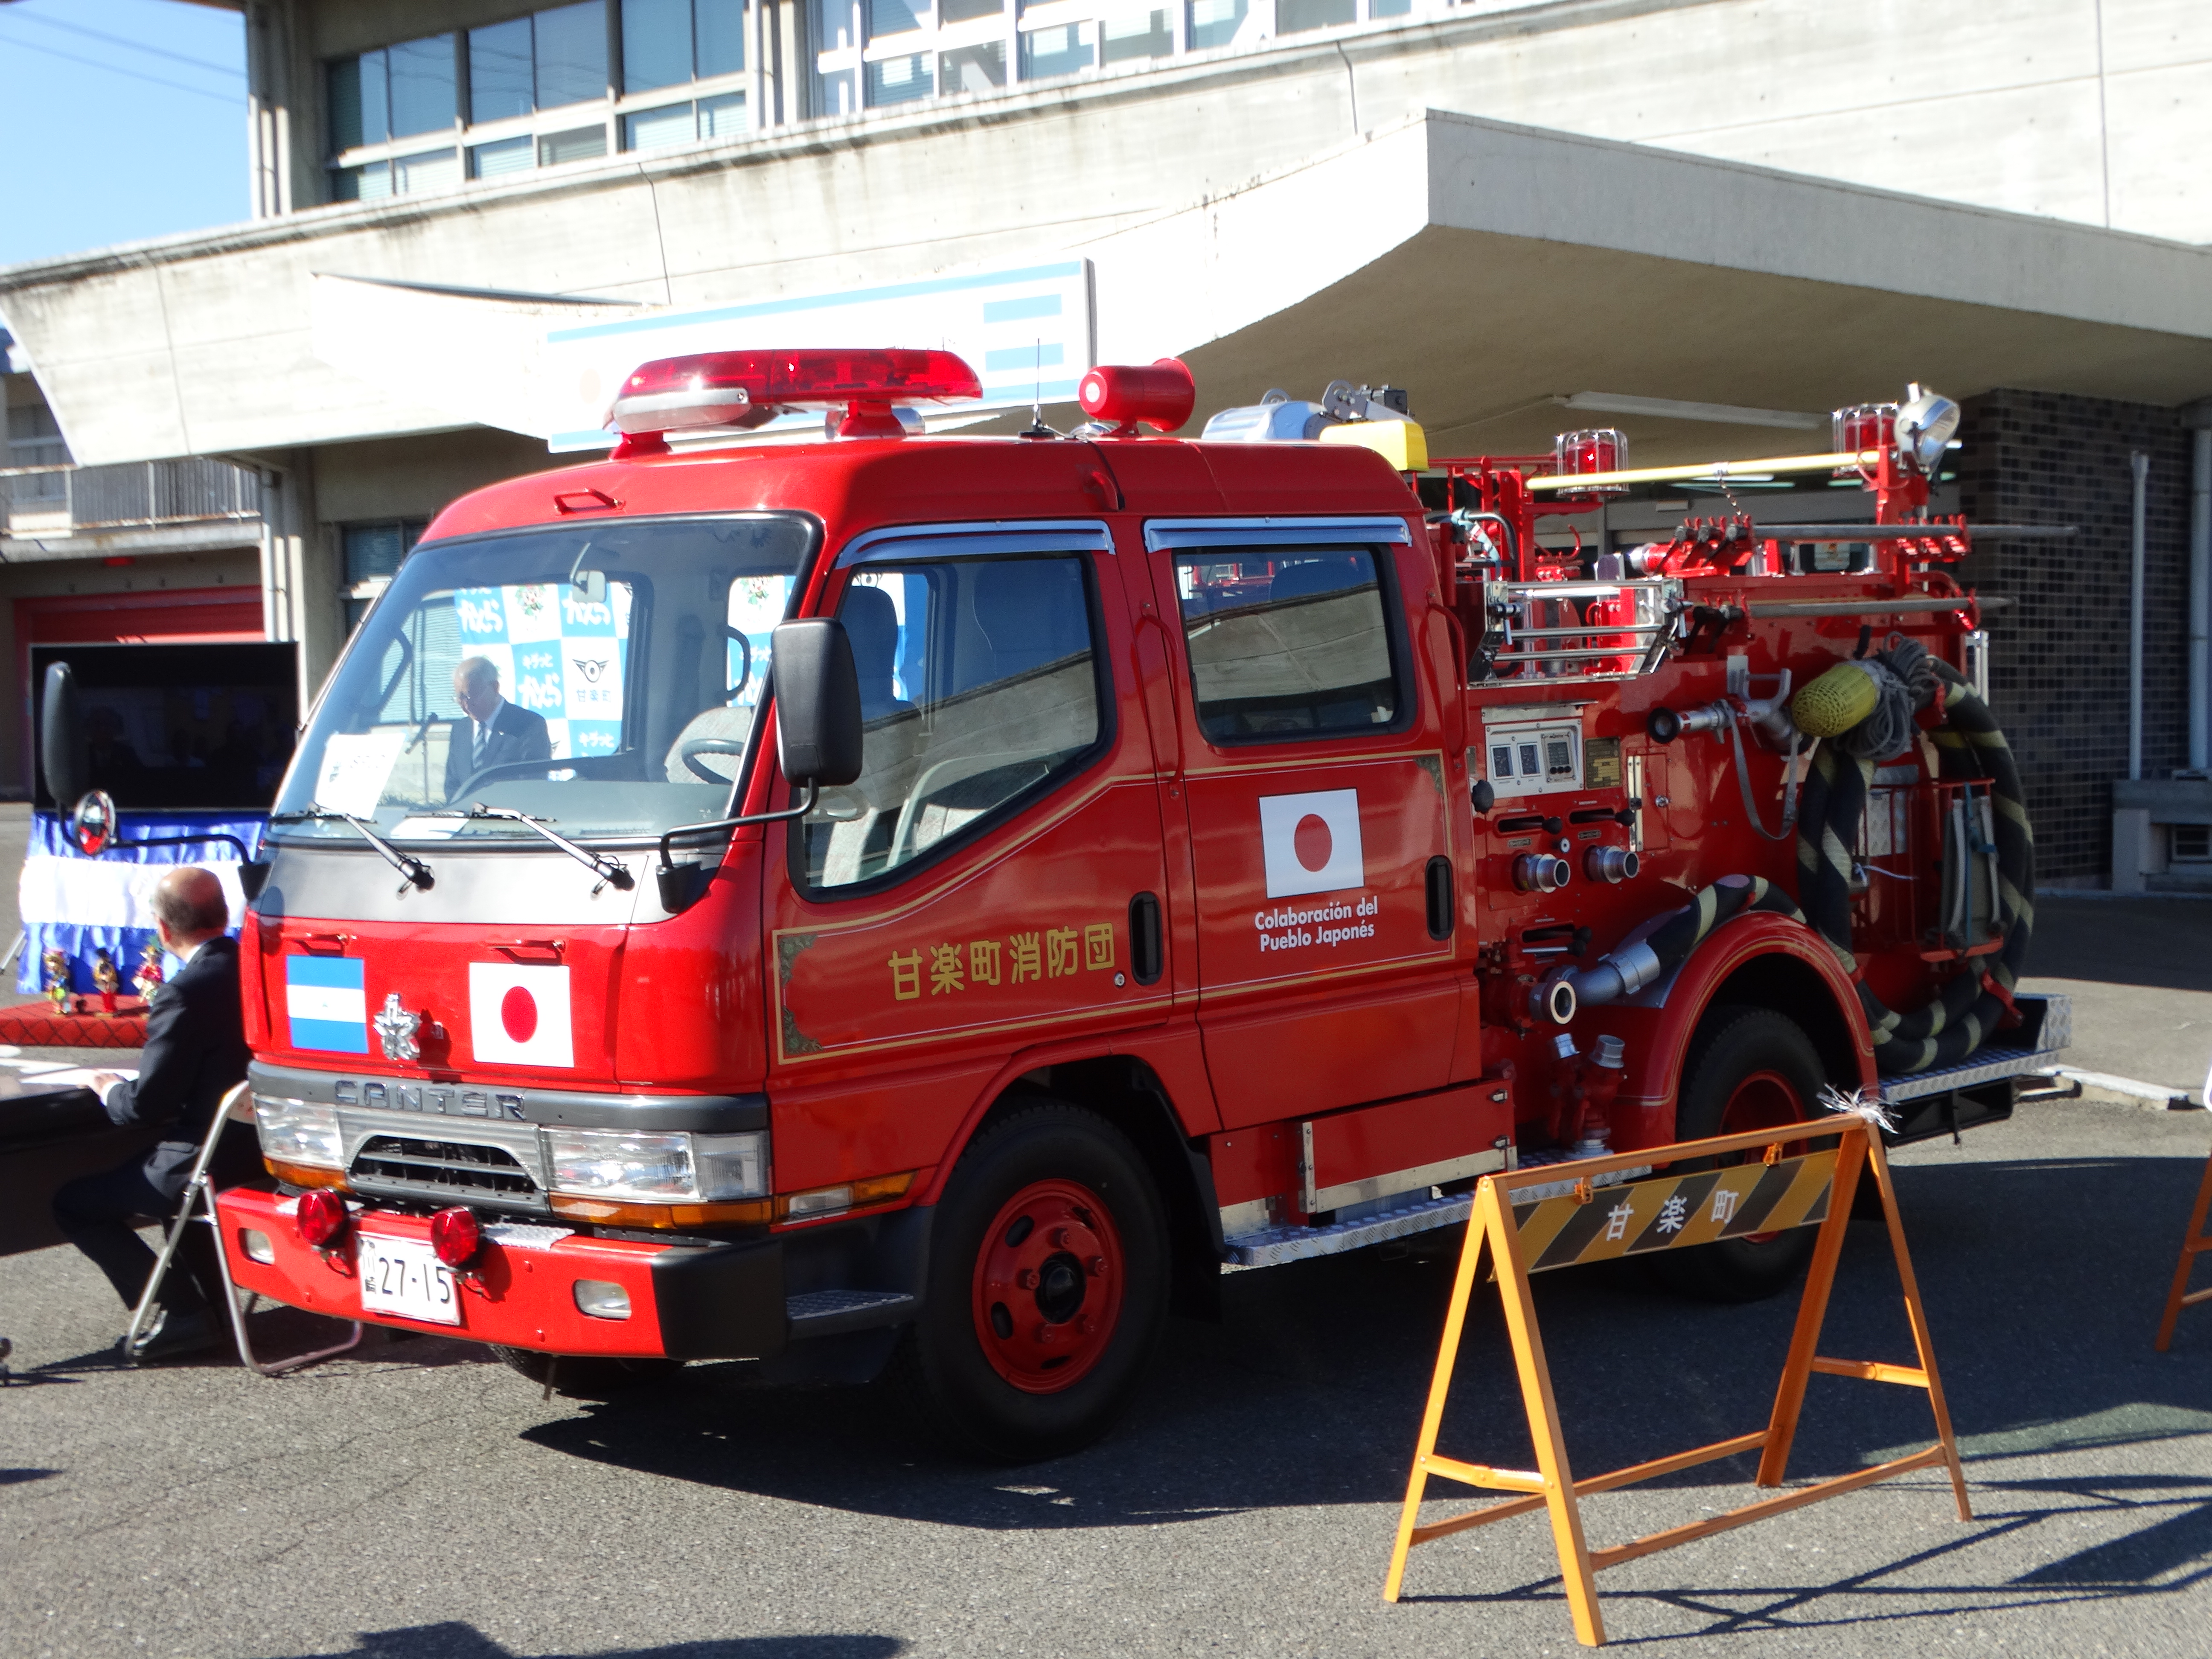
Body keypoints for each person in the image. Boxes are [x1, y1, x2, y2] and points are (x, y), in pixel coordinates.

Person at [52, 867, 252, 1362]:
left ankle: (184, 1311)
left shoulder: (185, 991)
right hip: (266, 1154)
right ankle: (213, 1312)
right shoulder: (256, 969)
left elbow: (146, 1107)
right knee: (172, 1199)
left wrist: (107, 1089)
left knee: (72, 1204)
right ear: (225, 915)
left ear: (163, 930)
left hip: (207, 1163)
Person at [443, 656, 552, 800]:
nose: (466, 705)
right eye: (460, 698)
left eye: (470, 696)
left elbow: (531, 783)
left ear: (495, 688)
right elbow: (452, 785)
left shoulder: (529, 725)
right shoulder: (460, 730)